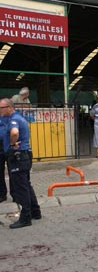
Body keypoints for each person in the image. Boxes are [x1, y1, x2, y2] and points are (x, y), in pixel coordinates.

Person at [0, 98, 41, 229]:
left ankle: (25, 217)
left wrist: (12, 144)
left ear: (9, 107)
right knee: (26, 184)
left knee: (20, 187)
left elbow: (14, 132)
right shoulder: (18, 117)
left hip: (18, 156)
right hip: (25, 155)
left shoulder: (14, 119)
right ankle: (36, 211)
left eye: (1, 107)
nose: (0, 110)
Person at [0, 115, 8, 202]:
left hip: (8, 143)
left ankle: (16, 194)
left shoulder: (9, 116)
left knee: (13, 172)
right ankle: (2, 194)